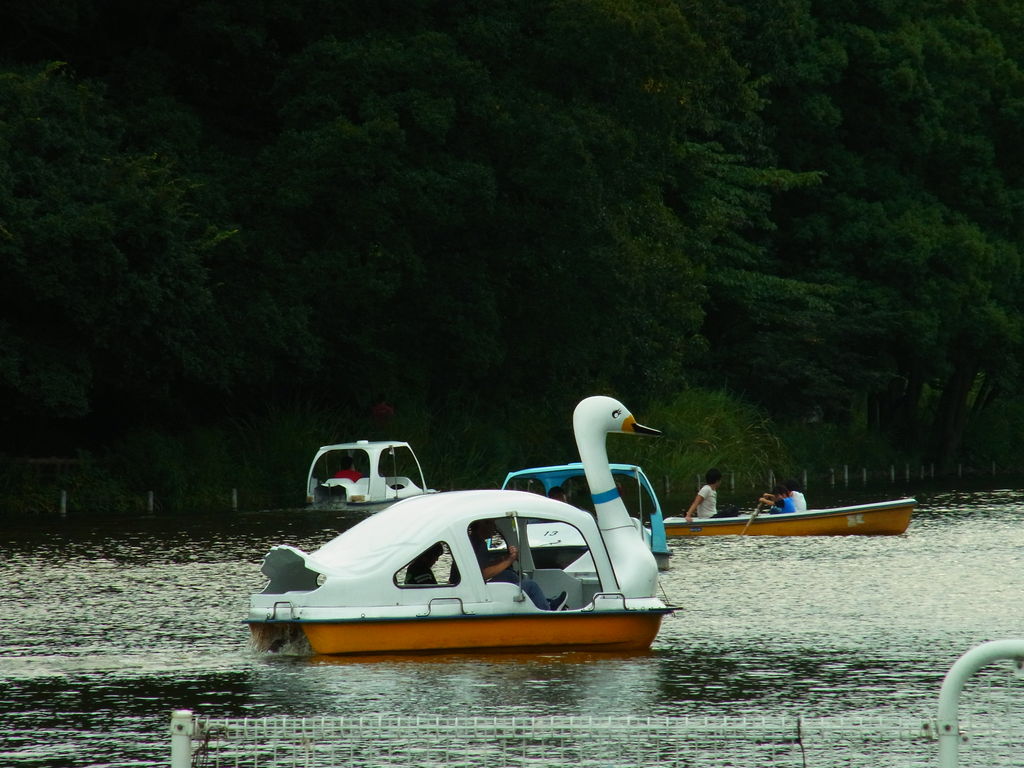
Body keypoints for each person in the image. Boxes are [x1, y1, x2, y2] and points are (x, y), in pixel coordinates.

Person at [468, 519, 567, 610]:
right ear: (482, 524)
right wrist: (509, 561)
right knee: (531, 586)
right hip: (479, 592)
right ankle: (547, 611)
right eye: (492, 524)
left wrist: (504, 559)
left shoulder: (475, 541)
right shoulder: (478, 544)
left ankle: (541, 603)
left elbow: (480, 566)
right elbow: (483, 574)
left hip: (476, 588)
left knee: (509, 575)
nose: (494, 528)